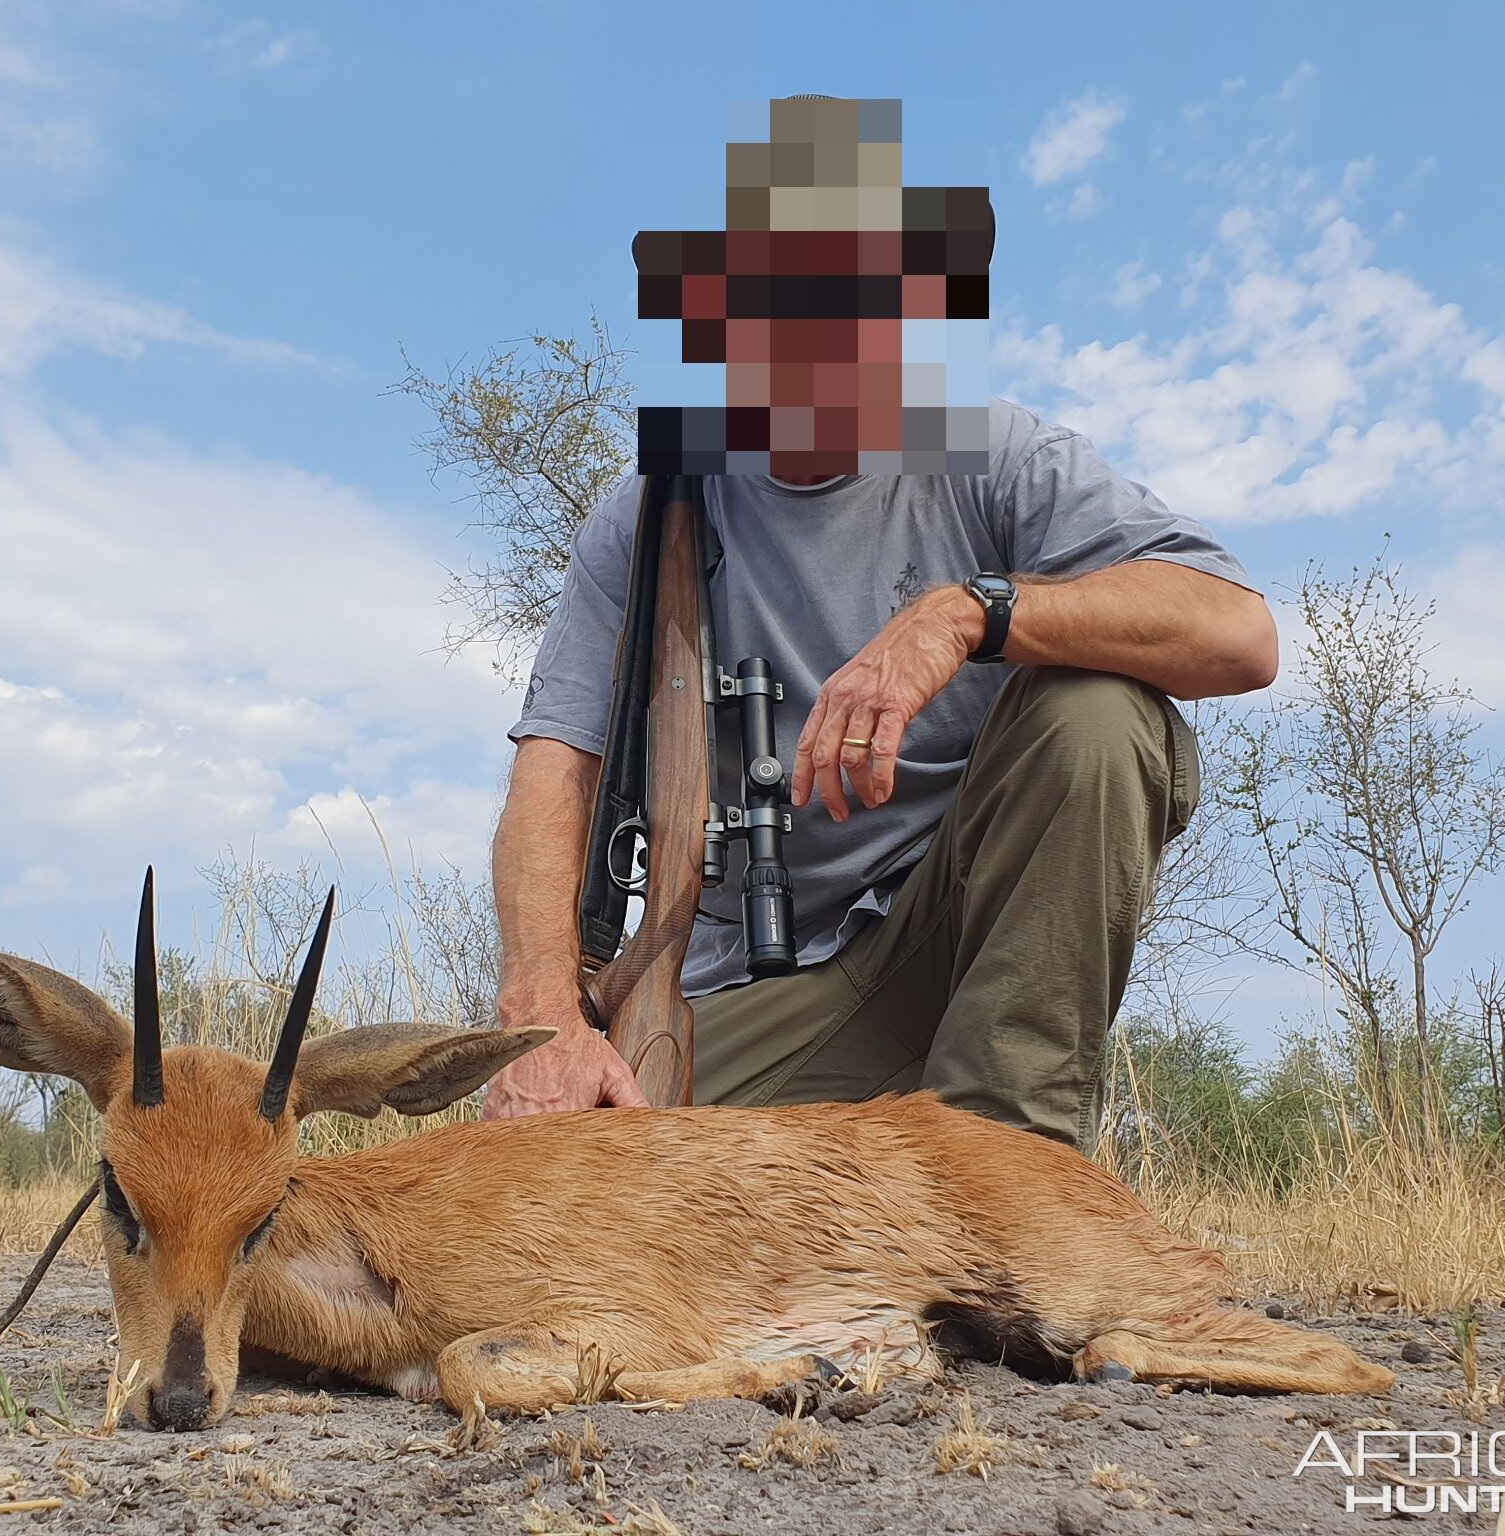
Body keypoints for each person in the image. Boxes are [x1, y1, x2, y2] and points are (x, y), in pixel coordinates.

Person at [481, 99, 1278, 1150]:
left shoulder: (996, 456)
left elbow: (1237, 634)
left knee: (1099, 709)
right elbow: (556, 766)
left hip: (975, 951)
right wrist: (542, 1013)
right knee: (559, 1170)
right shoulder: (646, 517)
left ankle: (1008, 1174)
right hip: (768, 990)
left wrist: (966, 615)